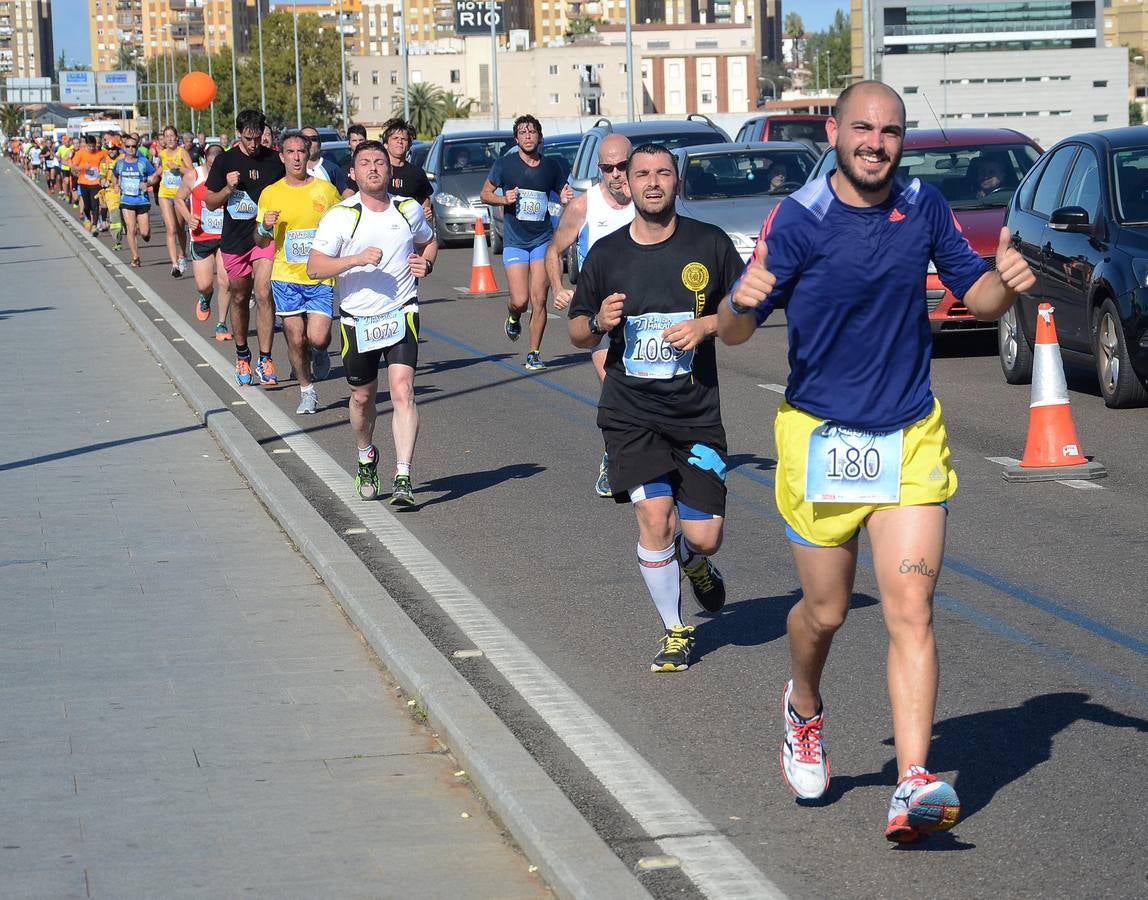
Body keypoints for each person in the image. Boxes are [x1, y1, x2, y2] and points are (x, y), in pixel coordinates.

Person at [718, 81, 1036, 842]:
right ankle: (803, 706)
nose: (875, 142)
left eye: (890, 131)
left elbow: (977, 297)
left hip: (909, 435)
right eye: (862, 128)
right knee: (826, 612)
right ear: (834, 131)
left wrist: (1006, 286)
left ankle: (914, 782)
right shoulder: (797, 219)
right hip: (822, 439)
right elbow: (735, 331)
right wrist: (739, 301)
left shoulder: (924, 206)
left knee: (911, 609)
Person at [567, 142, 742, 673]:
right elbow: (576, 332)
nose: (649, 182)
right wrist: (598, 321)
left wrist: (707, 324)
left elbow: (743, 315)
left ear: (676, 182)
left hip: (694, 415)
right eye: (640, 174)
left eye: (661, 173)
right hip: (629, 410)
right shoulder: (607, 255)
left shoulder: (709, 245)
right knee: (653, 515)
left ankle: (693, 562)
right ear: (626, 184)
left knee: (703, 535)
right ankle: (675, 630)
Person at [307, 140, 437, 506]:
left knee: (402, 390)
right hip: (357, 319)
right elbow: (315, 267)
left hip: (401, 312)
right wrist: (355, 260)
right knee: (362, 398)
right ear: (354, 172)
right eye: (365, 163)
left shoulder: (408, 210)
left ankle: (403, 476)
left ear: (390, 170)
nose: (373, 168)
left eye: (379, 162)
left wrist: (426, 264)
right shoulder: (341, 215)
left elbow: (429, 243)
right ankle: (366, 456)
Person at [546, 133, 635, 498]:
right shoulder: (584, 206)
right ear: (598, 168)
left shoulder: (649, 201)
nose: (615, 174)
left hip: (644, 312)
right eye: (607, 168)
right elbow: (554, 250)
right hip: (598, 315)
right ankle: (613, 457)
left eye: (622, 166)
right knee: (615, 390)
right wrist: (558, 288)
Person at [255, 131, 342, 414]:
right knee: (295, 337)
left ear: (308, 155)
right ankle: (307, 391)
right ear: (281, 156)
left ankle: (319, 353)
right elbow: (260, 241)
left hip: (319, 276)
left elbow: (343, 227)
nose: (295, 157)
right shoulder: (271, 193)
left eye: (300, 152)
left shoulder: (326, 191)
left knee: (318, 338)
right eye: (290, 152)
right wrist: (265, 227)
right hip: (286, 276)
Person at [481, 114, 572, 372]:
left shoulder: (551, 166)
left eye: (532, 132)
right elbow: (484, 193)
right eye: (523, 132)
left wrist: (564, 195)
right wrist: (504, 199)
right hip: (515, 240)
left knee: (538, 299)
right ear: (516, 138)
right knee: (520, 300)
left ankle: (534, 352)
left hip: (542, 239)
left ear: (539, 137)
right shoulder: (505, 165)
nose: (528, 136)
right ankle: (513, 315)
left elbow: (562, 191)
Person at [205, 109, 287, 387]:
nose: (254, 144)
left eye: (257, 138)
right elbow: (210, 202)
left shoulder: (274, 160)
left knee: (264, 292)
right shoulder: (225, 160)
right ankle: (242, 355)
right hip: (235, 240)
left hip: (263, 236)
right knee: (240, 297)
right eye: (248, 138)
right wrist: (228, 189)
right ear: (239, 134)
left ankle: (266, 358)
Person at [175, 142, 233, 340]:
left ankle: (221, 324)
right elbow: (179, 199)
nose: (214, 169)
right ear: (205, 160)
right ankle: (205, 297)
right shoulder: (193, 176)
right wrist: (188, 217)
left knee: (225, 281)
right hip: (201, 236)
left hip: (225, 237)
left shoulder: (231, 178)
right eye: (210, 164)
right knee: (203, 284)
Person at [112, 135, 159, 267]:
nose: (131, 149)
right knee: (130, 229)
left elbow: (155, 177)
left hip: (142, 200)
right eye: (128, 146)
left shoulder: (143, 162)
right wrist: (115, 185)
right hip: (126, 200)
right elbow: (114, 176)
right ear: (124, 148)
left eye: (133, 146)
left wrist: (148, 184)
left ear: (137, 147)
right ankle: (135, 256)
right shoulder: (120, 164)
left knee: (144, 232)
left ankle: (146, 235)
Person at [156, 125, 194, 277]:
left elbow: (192, 171)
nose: (170, 138)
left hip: (179, 195)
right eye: (167, 136)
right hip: (164, 193)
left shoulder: (182, 152)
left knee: (179, 228)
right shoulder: (162, 154)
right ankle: (174, 264)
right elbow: (163, 169)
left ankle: (182, 255)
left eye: (172, 135)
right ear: (164, 139)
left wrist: (178, 168)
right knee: (170, 228)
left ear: (176, 137)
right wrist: (153, 177)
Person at [380, 118, 432, 220]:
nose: (400, 141)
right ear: (386, 144)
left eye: (404, 139)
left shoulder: (417, 173)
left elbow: (425, 197)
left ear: (409, 145)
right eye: (395, 138)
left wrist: (425, 210)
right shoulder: (378, 171)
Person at [71, 135, 109, 233]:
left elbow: (108, 162)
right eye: (90, 146)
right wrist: (83, 167)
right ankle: (89, 219)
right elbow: (74, 167)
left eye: (93, 146)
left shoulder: (102, 153)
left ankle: (95, 226)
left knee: (95, 205)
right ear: (86, 145)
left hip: (96, 183)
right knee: (87, 206)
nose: (92, 148)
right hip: (83, 183)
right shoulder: (80, 153)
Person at [300, 126, 347, 193]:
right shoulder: (291, 169)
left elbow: (344, 193)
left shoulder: (332, 169)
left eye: (313, 139)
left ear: (319, 144)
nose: (309, 142)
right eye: (304, 139)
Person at [342, 123, 367, 196]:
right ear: (349, 143)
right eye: (354, 140)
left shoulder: (373, 163)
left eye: (361, 140)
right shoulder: (342, 165)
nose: (358, 143)